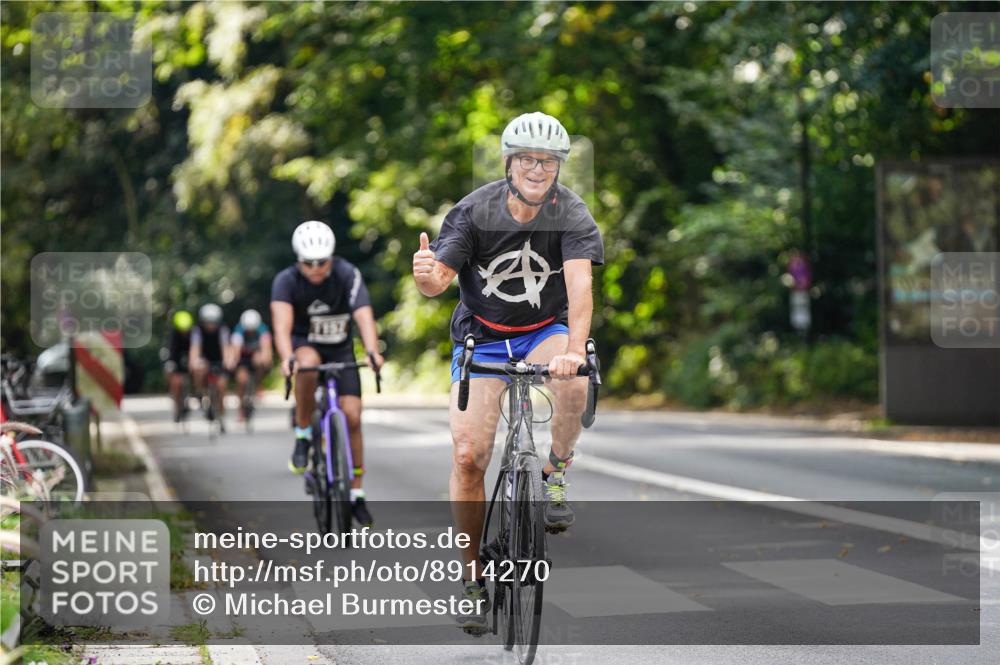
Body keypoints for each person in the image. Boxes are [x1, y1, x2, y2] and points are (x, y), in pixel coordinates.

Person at [412, 111, 604, 633]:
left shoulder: (572, 214)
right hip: (484, 336)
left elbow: (581, 289)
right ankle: (473, 576)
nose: (537, 169)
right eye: (527, 159)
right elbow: (439, 280)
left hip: (545, 329)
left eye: (548, 161)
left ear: (559, 167)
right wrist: (427, 277)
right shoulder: (474, 212)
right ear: (509, 162)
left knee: (575, 376)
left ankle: (556, 473)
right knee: (469, 455)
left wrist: (576, 348)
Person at [270, 220, 385, 527]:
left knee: (353, 417)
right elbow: (281, 326)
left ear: (332, 257)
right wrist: (286, 358)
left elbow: (363, 314)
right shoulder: (286, 281)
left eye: (323, 261)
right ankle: (304, 432)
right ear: (299, 261)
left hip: (340, 350)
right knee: (306, 363)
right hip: (305, 345)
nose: (317, 268)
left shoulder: (347, 274)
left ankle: (357, 493)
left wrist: (373, 351)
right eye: (310, 263)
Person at [190, 303, 230, 430]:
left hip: (219, 359)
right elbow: (195, 348)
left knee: (221, 386)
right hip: (205, 359)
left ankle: (222, 417)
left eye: (213, 322)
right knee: (199, 369)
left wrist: (227, 361)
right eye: (208, 322)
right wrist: (194, 361)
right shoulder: (197, 330)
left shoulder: (223, 329)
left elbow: (225, 348)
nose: (211, 325)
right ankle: (200, 392)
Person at [227, 308, 273, 418]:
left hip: (256, 356)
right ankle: (241, 409)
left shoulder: (263, 329)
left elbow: (266, 348)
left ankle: (258, 384)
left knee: (260, 360)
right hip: (243, 358)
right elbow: (235, 350)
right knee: (241, 380)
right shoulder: (239, 330)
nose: (250, 332)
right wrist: (232, 362)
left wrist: (266, 360)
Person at [161, 310, 194, 423]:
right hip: (175, 360)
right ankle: (176, 406)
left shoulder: (193, 334)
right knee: (175, 381)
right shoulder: (172, 335)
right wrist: (170, 363)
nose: (184, 331)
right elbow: (169, 352)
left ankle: (196, 393)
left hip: (190, 360)